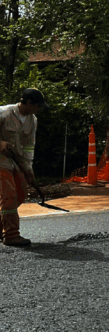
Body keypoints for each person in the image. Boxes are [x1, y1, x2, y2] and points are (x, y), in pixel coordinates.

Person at [0, 88, 48, 247]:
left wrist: (28, 169)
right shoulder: (5, 113)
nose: (39, 109)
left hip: (16, 162)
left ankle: (2, 227)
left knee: (21, 193)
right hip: (1, 162)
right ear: (28, 103)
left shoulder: (32, 120)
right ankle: (11, 235)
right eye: (37, 106)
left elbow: (28, 147)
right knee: (9, 195)